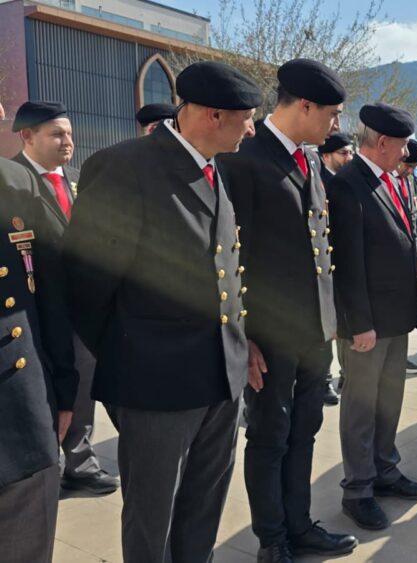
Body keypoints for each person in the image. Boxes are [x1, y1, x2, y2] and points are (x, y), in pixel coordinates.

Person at [61, 61, 263, 562]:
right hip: (156, 384)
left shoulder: (218, 169)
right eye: (247, 117)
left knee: (204, 504)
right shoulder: (126, 168)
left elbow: (225, 272)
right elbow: (86, 287)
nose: (252, 128)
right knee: (153, 515)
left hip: (221, 377)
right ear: (214, 116)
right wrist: (133, 356)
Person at [217, 59, 357, 562]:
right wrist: (245, 336)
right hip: (271, 334)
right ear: (304, 106)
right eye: (333, 114)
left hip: (314, 330)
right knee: (270, 436)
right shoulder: (244, 159)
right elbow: (231, 257)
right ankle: (272, 539)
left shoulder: (310, 159)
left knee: (305, 431)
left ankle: (300, 524)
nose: (337, 125)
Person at [327, 103, 417, 531]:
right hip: (367, 324)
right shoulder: (349, 185)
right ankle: (358, 489)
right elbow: (346, 263)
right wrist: (358, 323)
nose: (405, 152)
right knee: (360, 406)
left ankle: (385, 470)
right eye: (402, 143)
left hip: (395, 316)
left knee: (389, 400)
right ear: (383, 142)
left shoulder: (391, 180)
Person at [11, 101, 119, 495]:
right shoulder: (13, 182)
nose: (67, 142)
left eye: (70, 133)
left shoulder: (74, 180)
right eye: (57, 134)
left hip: (80, 309)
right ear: (27, 136)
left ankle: (79, 460)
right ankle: (47, 465)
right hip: (36, 311)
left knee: (82, 386)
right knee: (44, 389)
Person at [0, 149, 76, 563]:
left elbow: (50, 292)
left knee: (26, 539)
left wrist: (65, 388)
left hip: (21, 399)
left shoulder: (17, 181)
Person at [317, 131, 355, 406]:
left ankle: (342, 373)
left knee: (341, 325)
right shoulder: (320, 182)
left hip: (343, 261)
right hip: (325, 263)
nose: (349, 157)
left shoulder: (346, 183)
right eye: (343, 153)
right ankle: (323, 378)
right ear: (326, 155)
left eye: (351, 152)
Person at [394, 139, 417, 376]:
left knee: (405, 308)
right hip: (392, 260)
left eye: (413, 165)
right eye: (406, 164)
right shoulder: (386, 182)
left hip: (411, 257)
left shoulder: (410, 181)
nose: (408, 169)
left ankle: (400, 356)